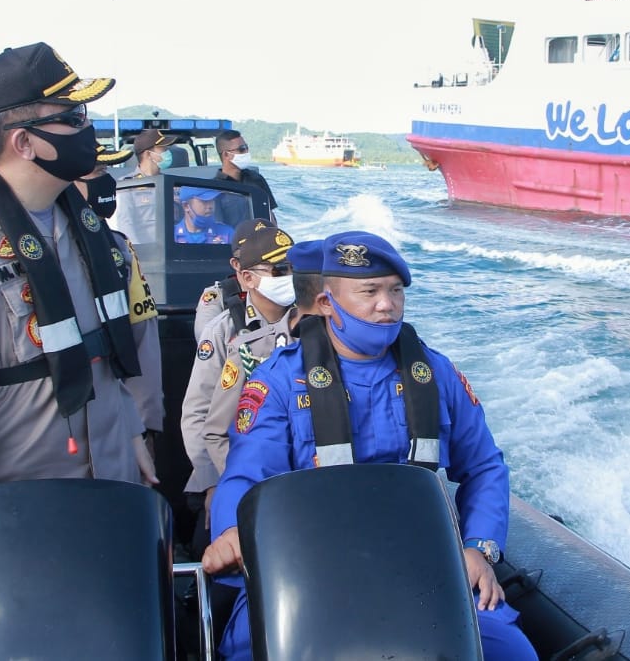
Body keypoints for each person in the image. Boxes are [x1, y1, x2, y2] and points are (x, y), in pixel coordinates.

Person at [0, 42, 159, 646]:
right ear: (23, 141)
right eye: (73, 118)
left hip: (101, 502)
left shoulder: (84, 229)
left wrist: (132, 439)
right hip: (11, 525)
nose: (88, 132)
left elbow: (105, 355)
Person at [201, 231, 537, 661]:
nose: (387, 304)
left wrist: (478, 548)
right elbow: (248, 475)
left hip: (422, 566)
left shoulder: (436, 374)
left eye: (395, 291)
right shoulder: (278, 382)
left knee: (512, 651)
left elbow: (485, 466)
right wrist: (230, 532)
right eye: (370, 291)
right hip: (309, 567)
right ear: (326, 303)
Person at [181, 221, 297, 555]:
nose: (289, 277)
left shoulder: (309, 322)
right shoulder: (223, 331)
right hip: (228, 461)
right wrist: (214, 481)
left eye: (293, 268)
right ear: (246, 277)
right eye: (279, 271)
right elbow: (198, 413)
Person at [75, 142, 164, 449]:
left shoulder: (120, 248)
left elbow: (143, 339)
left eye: (107, 171)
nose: (106, 181)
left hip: (117, 419)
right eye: (97, 172)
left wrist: (146, 425)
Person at [114, 129, 178, 247]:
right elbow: (126, 225)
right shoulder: (127, 185)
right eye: (163, 149)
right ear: (148, 154)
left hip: (172, 249)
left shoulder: (171, 183)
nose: (167, 152)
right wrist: (138, 253)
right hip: (145, 252)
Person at [214, 129, 277, 217]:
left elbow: (270, 213)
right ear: (226, 155)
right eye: (242, 149)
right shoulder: (214, 188)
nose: (246, 152)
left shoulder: (256, 179)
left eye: (246, 147)